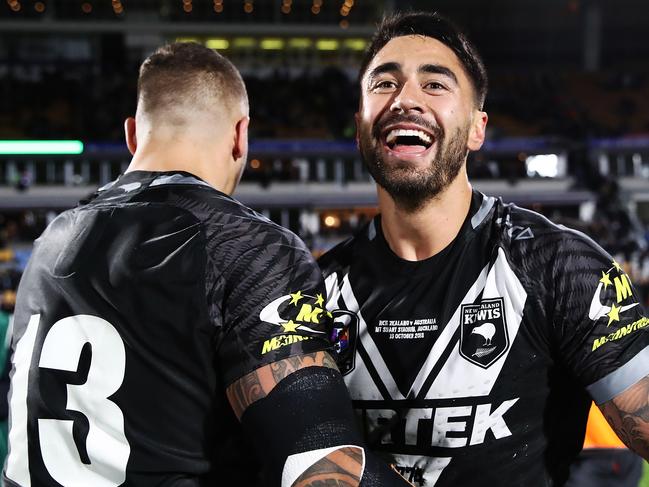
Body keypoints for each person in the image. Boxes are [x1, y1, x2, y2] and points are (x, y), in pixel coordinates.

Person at [4, 43, 407, 487]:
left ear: (132, 135)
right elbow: (318, 463)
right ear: (240, 135)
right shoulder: (244, 245)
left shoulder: (47, 247)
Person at [318, 11, 649, 487]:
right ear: (360, 126)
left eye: (434, 85)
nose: (405, 99)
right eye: (384, 84)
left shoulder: (559, 267)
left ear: (477, 128)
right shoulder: (317, 293)